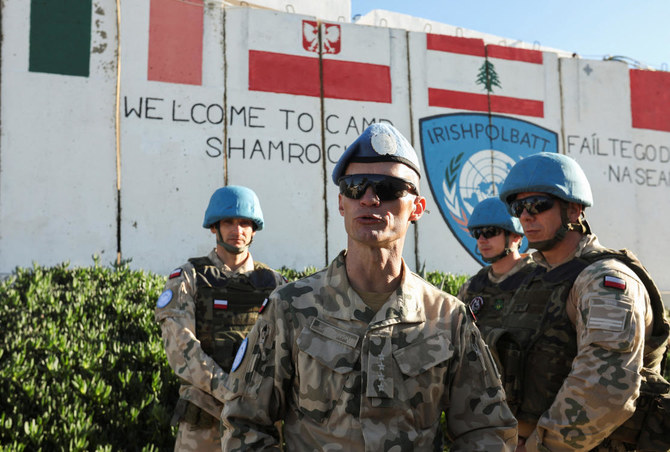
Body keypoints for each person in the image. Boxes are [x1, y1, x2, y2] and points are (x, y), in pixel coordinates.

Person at [221, 123, 518, 451]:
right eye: (355, 187)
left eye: (388, 188)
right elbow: (243, 422)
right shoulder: (290, 308)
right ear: (341, 204)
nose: (369, 198)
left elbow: (487, 431)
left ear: (416, 208)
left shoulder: (448, 317)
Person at [495, 152, 670, 452]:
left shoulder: (605, 280)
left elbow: (605, 387)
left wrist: (539, 445)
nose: (525, 215)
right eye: (518, 207)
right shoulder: (534, 278)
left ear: (574, 210)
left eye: (537, 204)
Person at [155, 186, 285, 452]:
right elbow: (181, 349)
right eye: (229, 222)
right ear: (214, 226)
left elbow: (286, 352)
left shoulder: (275, 284)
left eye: (245, 223)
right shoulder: (188, 278)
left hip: (257, 421)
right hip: (204, 422)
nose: (237, 230)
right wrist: (231, 391)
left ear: (254, 228)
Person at [457, 197, 536, 331]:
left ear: (516, 236)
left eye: (490, 232)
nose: (482, 240)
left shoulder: (539, 279)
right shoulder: (471, 287)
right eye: (477, 233)